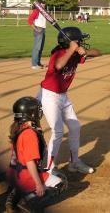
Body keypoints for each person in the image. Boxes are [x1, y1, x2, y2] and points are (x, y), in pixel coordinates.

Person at [38, 27, 101, 175]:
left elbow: (98, 52)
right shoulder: (59, 53)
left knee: (75, 128)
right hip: (48, 96)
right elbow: (58, 65)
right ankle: (50, 168)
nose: (81, 41)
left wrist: (85, 52)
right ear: (70, 42)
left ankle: (74, 162)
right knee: (58, 131)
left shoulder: (75, 54)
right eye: (79, 39)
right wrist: (71, 50)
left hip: (62, 96)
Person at [5, 97, 67, 212]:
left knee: (36, 175)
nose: (39, 112)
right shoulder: (30, 134)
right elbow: (30, 162)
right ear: (31, 114)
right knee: (61, 182)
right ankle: (29, 201)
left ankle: (15, 195)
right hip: (26, 175)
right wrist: (38, 184)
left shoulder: (18, 128)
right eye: (36, 110)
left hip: (14, 175)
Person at [28, 0, 47, 69]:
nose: (44, 5)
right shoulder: (36, 11)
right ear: (39, 4)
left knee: (41, 48)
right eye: (42, 4)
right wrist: (36, 29)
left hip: (43, 30)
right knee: (37, 48)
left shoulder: (44, 12)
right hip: (39, 30)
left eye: (44, 4)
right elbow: (29, 21)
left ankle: (38, 63)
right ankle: (34, 64)